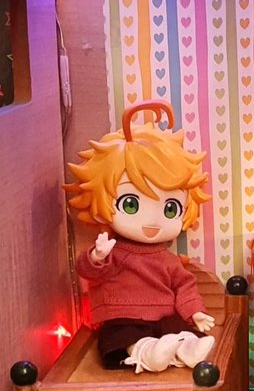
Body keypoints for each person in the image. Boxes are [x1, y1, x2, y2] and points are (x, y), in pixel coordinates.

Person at [64, 100, 216, 373]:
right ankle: (146, 353)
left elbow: (185, 284)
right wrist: (97, 256)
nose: (153, 221)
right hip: (121, 316)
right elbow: (89, 271)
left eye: (170, 208)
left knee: (178, 328)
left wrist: (195, 311)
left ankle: (184, 349)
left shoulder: (168, 260)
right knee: (122, 337)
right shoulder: (113, 251)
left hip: (163, 315)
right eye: (131, 204)